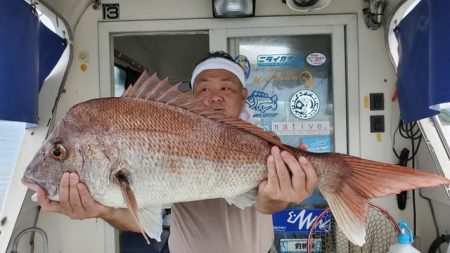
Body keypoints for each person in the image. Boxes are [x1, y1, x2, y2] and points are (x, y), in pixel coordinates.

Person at [36, 51, 319, 253]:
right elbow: (142, 224)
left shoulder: (267, 144)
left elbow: (266, 205)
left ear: (243, 96)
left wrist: (278, 199)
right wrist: (101, 210)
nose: (215, 95)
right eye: (204, 88)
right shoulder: (171, 134)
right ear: (192, 97)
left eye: (226, 87)